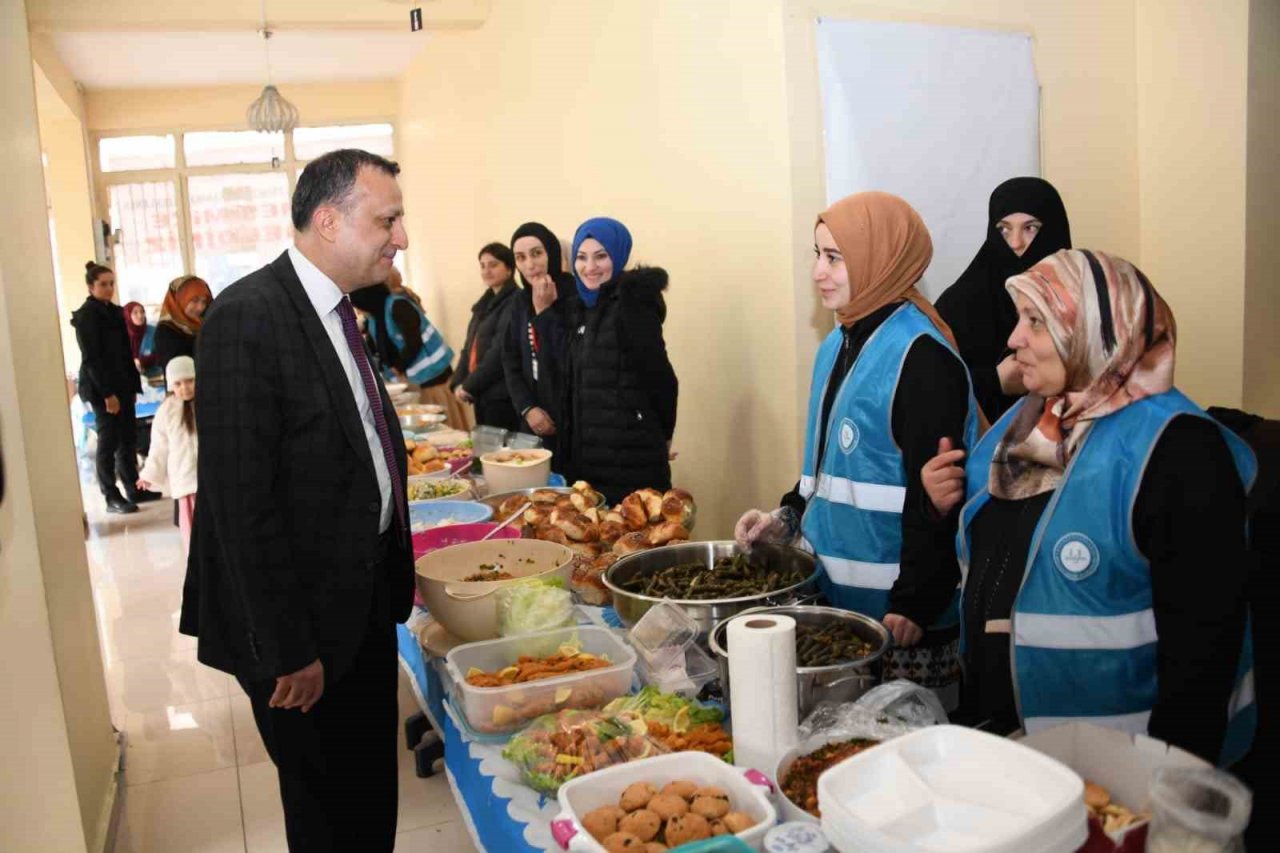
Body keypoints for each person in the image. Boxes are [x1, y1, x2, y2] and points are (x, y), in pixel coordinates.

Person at [921, 248, 1255, 766]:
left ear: (1096, 331)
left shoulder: (1180, 450)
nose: (1013, 338)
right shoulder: (1028, 423)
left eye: (1035, 321)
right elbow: (997, 553)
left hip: (1120, 766)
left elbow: (1203, 652)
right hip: (1012, 751)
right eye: (1019, 319)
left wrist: (1167, 785)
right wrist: (939, 509)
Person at [180, 149, 415, 851]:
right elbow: (240, 506)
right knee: (327, 815)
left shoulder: (341, 311)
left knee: (369, 796)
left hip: (361, 601)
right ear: (328, 221)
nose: (401, 238)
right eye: (388, 220)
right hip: (299, 632)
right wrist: (287, 650)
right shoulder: (247, 317)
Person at [735, 192, 980, 709]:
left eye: (834, 258)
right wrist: (785, 517)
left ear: (878, 260)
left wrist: (915, 601)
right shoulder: (838, 343)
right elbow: (827, 472)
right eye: (817, 254)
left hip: (902, 620)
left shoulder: (922, 359)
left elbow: (942, 496)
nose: (818, 272)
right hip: (838, 604)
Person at [558, 217, 678, 505]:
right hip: (589, 459)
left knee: (635, 531)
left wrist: (662, 436)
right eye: (581, 257)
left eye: (601, 256)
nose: (590, 267)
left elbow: (661, 378)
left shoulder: (631, 304)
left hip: (632, 457)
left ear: (619, 255)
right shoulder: (581, 307)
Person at [935, 177, 1072, 421]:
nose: (1015, 243)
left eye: (1030, 228)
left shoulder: (1080, 298)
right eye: (1004, 230)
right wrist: (993, 381)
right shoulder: (959, 303)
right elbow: (932, 389)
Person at [71, 262, 159, 513]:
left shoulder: (116, 312)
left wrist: (132, 387)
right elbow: (92, 359)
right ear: (91, 287)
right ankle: (111, 495)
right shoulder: (87, 316)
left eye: (111, 284)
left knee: (128, 439)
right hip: (102, 389)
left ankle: (133, 487)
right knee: (108, 442)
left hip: (123, 384)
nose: (109, 288)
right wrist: (107, 394)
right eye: (103, 284)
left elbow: (124, 354)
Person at [350, 268, 466, 428]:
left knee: (442, 426)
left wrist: (398, 366)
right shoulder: (375, 316)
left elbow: (414, 342)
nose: (358, 311)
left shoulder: (399, 305)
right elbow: (376, 347)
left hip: (433, 377)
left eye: (358, 307)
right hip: (414, 380)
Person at [502, 222, 577, 468]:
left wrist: (544, 311)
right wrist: (527, 408)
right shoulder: (520, 301)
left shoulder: (576, 296)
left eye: (536, 253)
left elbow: (571, 358)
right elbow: (510, 359)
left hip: (571, 421)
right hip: (533, 421)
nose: (529, 265)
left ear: (552, 253)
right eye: (520, 257)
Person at [450, 243, 522, 431]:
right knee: (484, 445)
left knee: (500, 447)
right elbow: (468, 348)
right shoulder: (483, 305)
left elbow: (498, 353)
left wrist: (469, 386)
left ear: (509, 269)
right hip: (481, 392)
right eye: (482, 266)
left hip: (502, 395)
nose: (486, 271)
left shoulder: (516, 301)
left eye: (493, 265)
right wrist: (457, 382)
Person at [137, 356, 199, 554]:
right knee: (191, 532)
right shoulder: (166, 411)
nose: (185, 388)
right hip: (185, 481)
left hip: (210, 481)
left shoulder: (209, 405)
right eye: (178, 384)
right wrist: (149, 474)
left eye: (190, 381)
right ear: (171, 385)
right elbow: (158, 447)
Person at [153, 274, 212, 377]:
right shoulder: (166, 330)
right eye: (194, 300)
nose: (200, 307)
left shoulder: (204, 324)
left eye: (204, 302)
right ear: (179, 300)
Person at [123, 300, 158, 377]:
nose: (140, 316)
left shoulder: (154, 331)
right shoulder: (120, 334)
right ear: (127, 315)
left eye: (142, 312)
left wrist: (142, 362)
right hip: (128, 377)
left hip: (154, 376)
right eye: (135, 313)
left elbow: (162, 352)